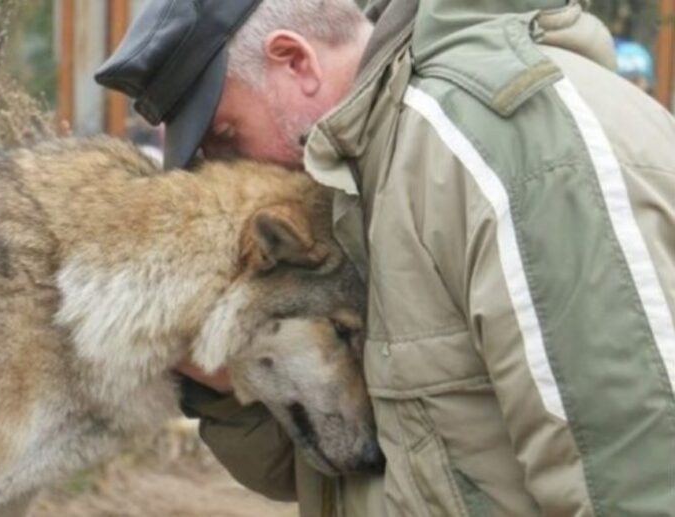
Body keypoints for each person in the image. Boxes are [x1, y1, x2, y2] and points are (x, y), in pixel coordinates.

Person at [96, 0, 675, 516]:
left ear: (294, 61)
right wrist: (226, 383)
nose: (228, 172)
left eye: (226, 137)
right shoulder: (361, 175)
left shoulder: (503, 146)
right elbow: (351, 470)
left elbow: (627, 472)